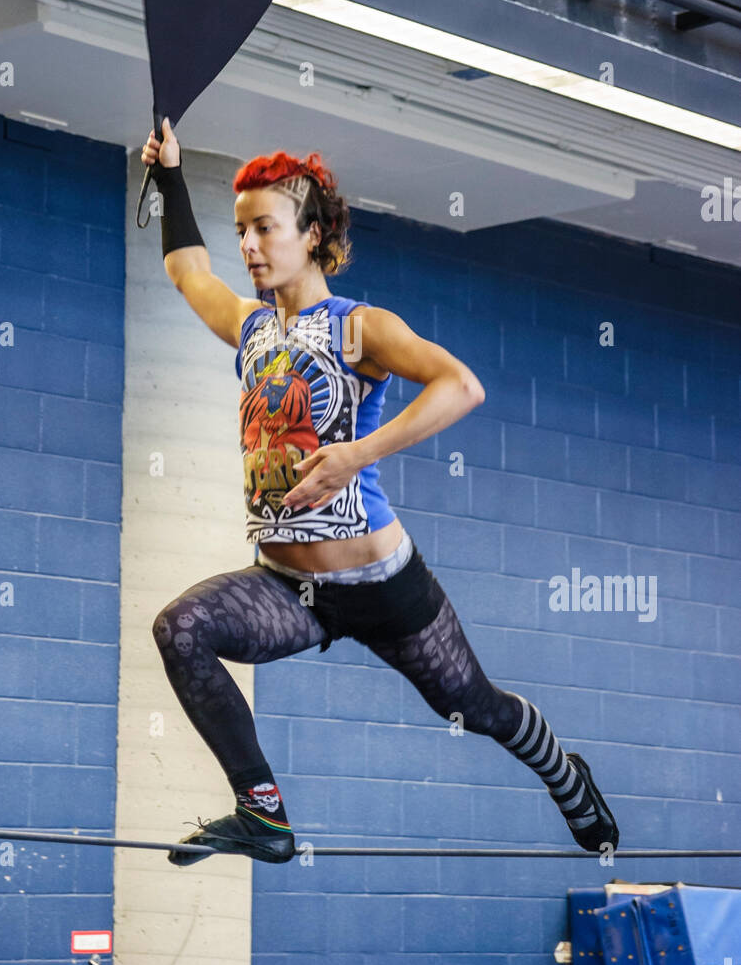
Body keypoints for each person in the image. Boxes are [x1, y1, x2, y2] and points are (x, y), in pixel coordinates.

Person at [142, 119, 620, 866]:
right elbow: (186, 270)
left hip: (383, 584)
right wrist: (170, 175)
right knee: (180, 630)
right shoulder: (248, 329)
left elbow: (460, 386)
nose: (249, 248)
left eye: (265, 229)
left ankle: (565, 775)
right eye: (242, 232)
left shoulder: (360, 329)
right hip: (288, 589)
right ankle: (262, 813)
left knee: (477, 708)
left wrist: (354, 456)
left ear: (312, 235)